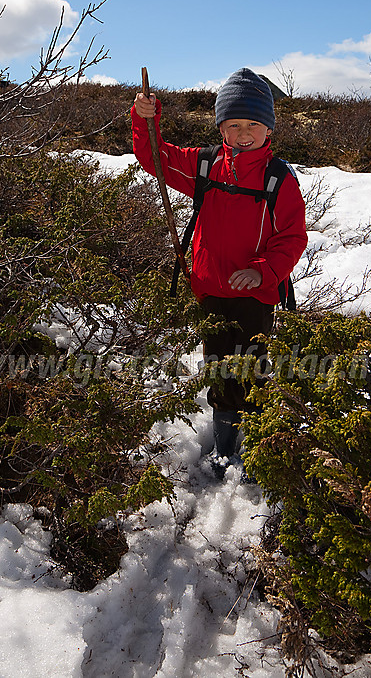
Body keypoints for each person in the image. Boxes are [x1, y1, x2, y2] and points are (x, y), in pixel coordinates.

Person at [132, 68, 307, 477]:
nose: (243, 133)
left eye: (253, 124)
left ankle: (257, 448)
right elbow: (155, 158)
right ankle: (225, 445)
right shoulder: (206, 165)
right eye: (233, 124)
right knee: (219, 367)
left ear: (268, 129)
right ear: (221, 127)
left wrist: (263, 271)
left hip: (256, 295)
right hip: (210, 289)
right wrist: (145, 121)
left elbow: (292, 237)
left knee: (251, 368)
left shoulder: (278, 179)